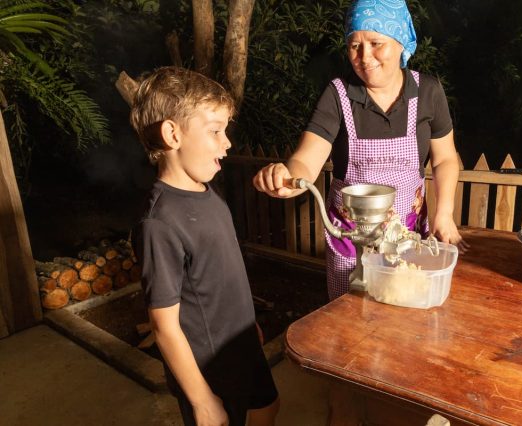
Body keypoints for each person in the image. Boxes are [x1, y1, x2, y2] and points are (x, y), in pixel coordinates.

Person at [253, 0, 469, 301]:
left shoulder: (428, 91)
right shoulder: (337, 95)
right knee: (351, 322)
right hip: (350, 241)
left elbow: (445, 158)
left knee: (403, 310)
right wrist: (287, 177)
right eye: (354, 45)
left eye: (376, 43)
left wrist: (444, 213)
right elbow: (306, 159)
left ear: (400, 42)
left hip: (406, 238)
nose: (364, 57)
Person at [130, 66, 279, 426]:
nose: (227, 142)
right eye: (215, 131)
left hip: (241, 343)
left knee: (266, 409)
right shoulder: (159, 223)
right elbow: (163, 325)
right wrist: (201, 399)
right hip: (211, 365)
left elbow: (219, 273)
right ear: (172, 134)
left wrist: (247, 323)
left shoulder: (206, 192)